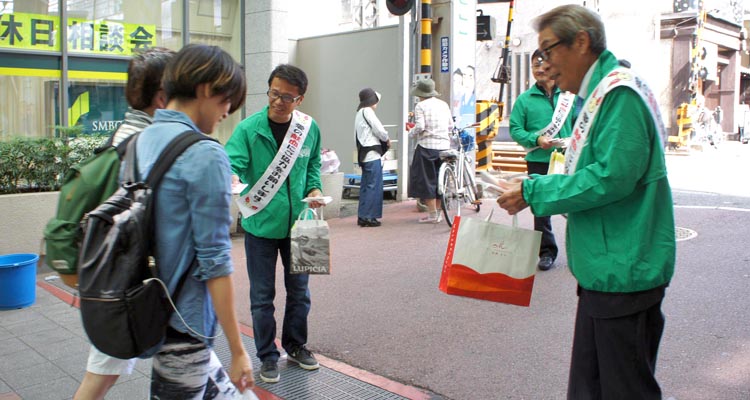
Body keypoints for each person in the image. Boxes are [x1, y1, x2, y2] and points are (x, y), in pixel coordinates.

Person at [496, 5, 675, 398]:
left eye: (547, 50)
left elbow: (612, 177)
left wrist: (533, 190)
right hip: (608, 268)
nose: (543, 64)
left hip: (623, 271)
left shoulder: (618, 94)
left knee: (622, 389)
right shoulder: (600, 94)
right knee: (591, 387)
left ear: (581, 42)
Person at [131, 43, 253, 398]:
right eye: (226, 100)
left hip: (149, 304)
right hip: (185, 322)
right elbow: (214, 260)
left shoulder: (140, 141)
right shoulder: (205, 153)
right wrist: (238, 348)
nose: (227, 112)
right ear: (205, 89)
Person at [74, 46, 176, 400]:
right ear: (163, 96)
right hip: (128, 278)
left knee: (105, 374)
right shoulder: (145, 142)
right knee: (101, 376)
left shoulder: (122, 134)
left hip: (115, 273)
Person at [225, 64, 325, 384]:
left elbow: (313, 167)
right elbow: (233, 165)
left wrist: (315, 189)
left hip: (303, 223)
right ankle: (268, 355)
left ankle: (296, 345)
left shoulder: (309, 128)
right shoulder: (248, 129)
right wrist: (232, 177)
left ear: (300, 99)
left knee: (300, 292)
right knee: (262, 296)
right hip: (260, 225)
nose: (279, 101)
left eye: (287, 96)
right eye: (274, 93)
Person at [508, 49, 573, 271]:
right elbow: (515, 129)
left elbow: (583, 123)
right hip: (538, 159)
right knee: (541, 208)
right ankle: (546, 252)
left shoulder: (569, 96)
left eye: (545, 65)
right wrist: (536, 138)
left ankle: (580, 248)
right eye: (536, 65)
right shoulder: (524, 100)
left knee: (574, 203)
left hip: (568, 159)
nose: (540, 70)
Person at [407, 78, 453, 223]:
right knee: (441, 180)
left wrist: (411, 132)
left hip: (427, 147)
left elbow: (420, 126)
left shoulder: (421, 106)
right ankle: (439, 213)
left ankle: (433, 214)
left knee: (426, 180)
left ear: (420, 93)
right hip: (444, 147)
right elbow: (450, 125)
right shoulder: (443, 104)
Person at [354, 87, 390, 227]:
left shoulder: (359, 113)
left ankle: (362, 216)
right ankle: (369, 217)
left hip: (363, 153)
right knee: (373, 185)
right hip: (372, 153)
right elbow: (379, 129)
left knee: (366, 185)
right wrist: (386, 138)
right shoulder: (368, 111)